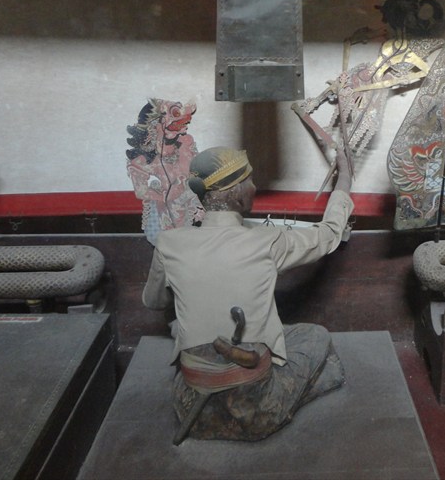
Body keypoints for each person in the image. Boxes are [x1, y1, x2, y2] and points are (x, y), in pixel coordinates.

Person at [142, 145, 353, 442]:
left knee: (189, 334)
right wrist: (344, 179)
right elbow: (328, 234)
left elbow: (153, 302)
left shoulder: (168, 242)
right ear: (239, 194)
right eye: (250, 180)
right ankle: (297, 394)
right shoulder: (268, 241)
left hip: (189, 407)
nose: (254, 186)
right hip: (256, 411)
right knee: (316, 336)